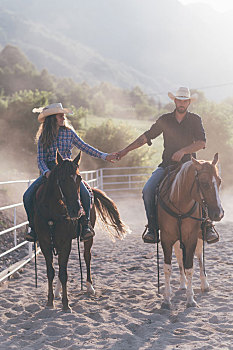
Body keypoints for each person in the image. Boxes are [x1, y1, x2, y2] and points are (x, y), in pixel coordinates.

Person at [116, 87, 219, 244]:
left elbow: (201, 143)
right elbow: (146, 137)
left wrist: (183, 151)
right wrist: (125, 151)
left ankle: (207, 225)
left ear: (189, 103)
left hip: (190, 167)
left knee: (204, 186)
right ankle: (152, 227)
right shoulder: (164, 120)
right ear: (175, 101)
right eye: (179, 100)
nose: (182, 103)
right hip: (167, 165)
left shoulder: (195, 120)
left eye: (185, 100)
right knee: (148, 190)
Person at [23, 102, 117, 242]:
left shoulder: (69, 133)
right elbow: (40, 160)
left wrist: (104, 156)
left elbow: (84, 147)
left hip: (67, 171)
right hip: (49, 171)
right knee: (27, 196)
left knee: (86, 194)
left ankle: (85, 224)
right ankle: (33, 227)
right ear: (52, 118)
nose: (63, 118)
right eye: (60, 115)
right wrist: (46, 172)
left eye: (63, 115)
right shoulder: (43, 137)